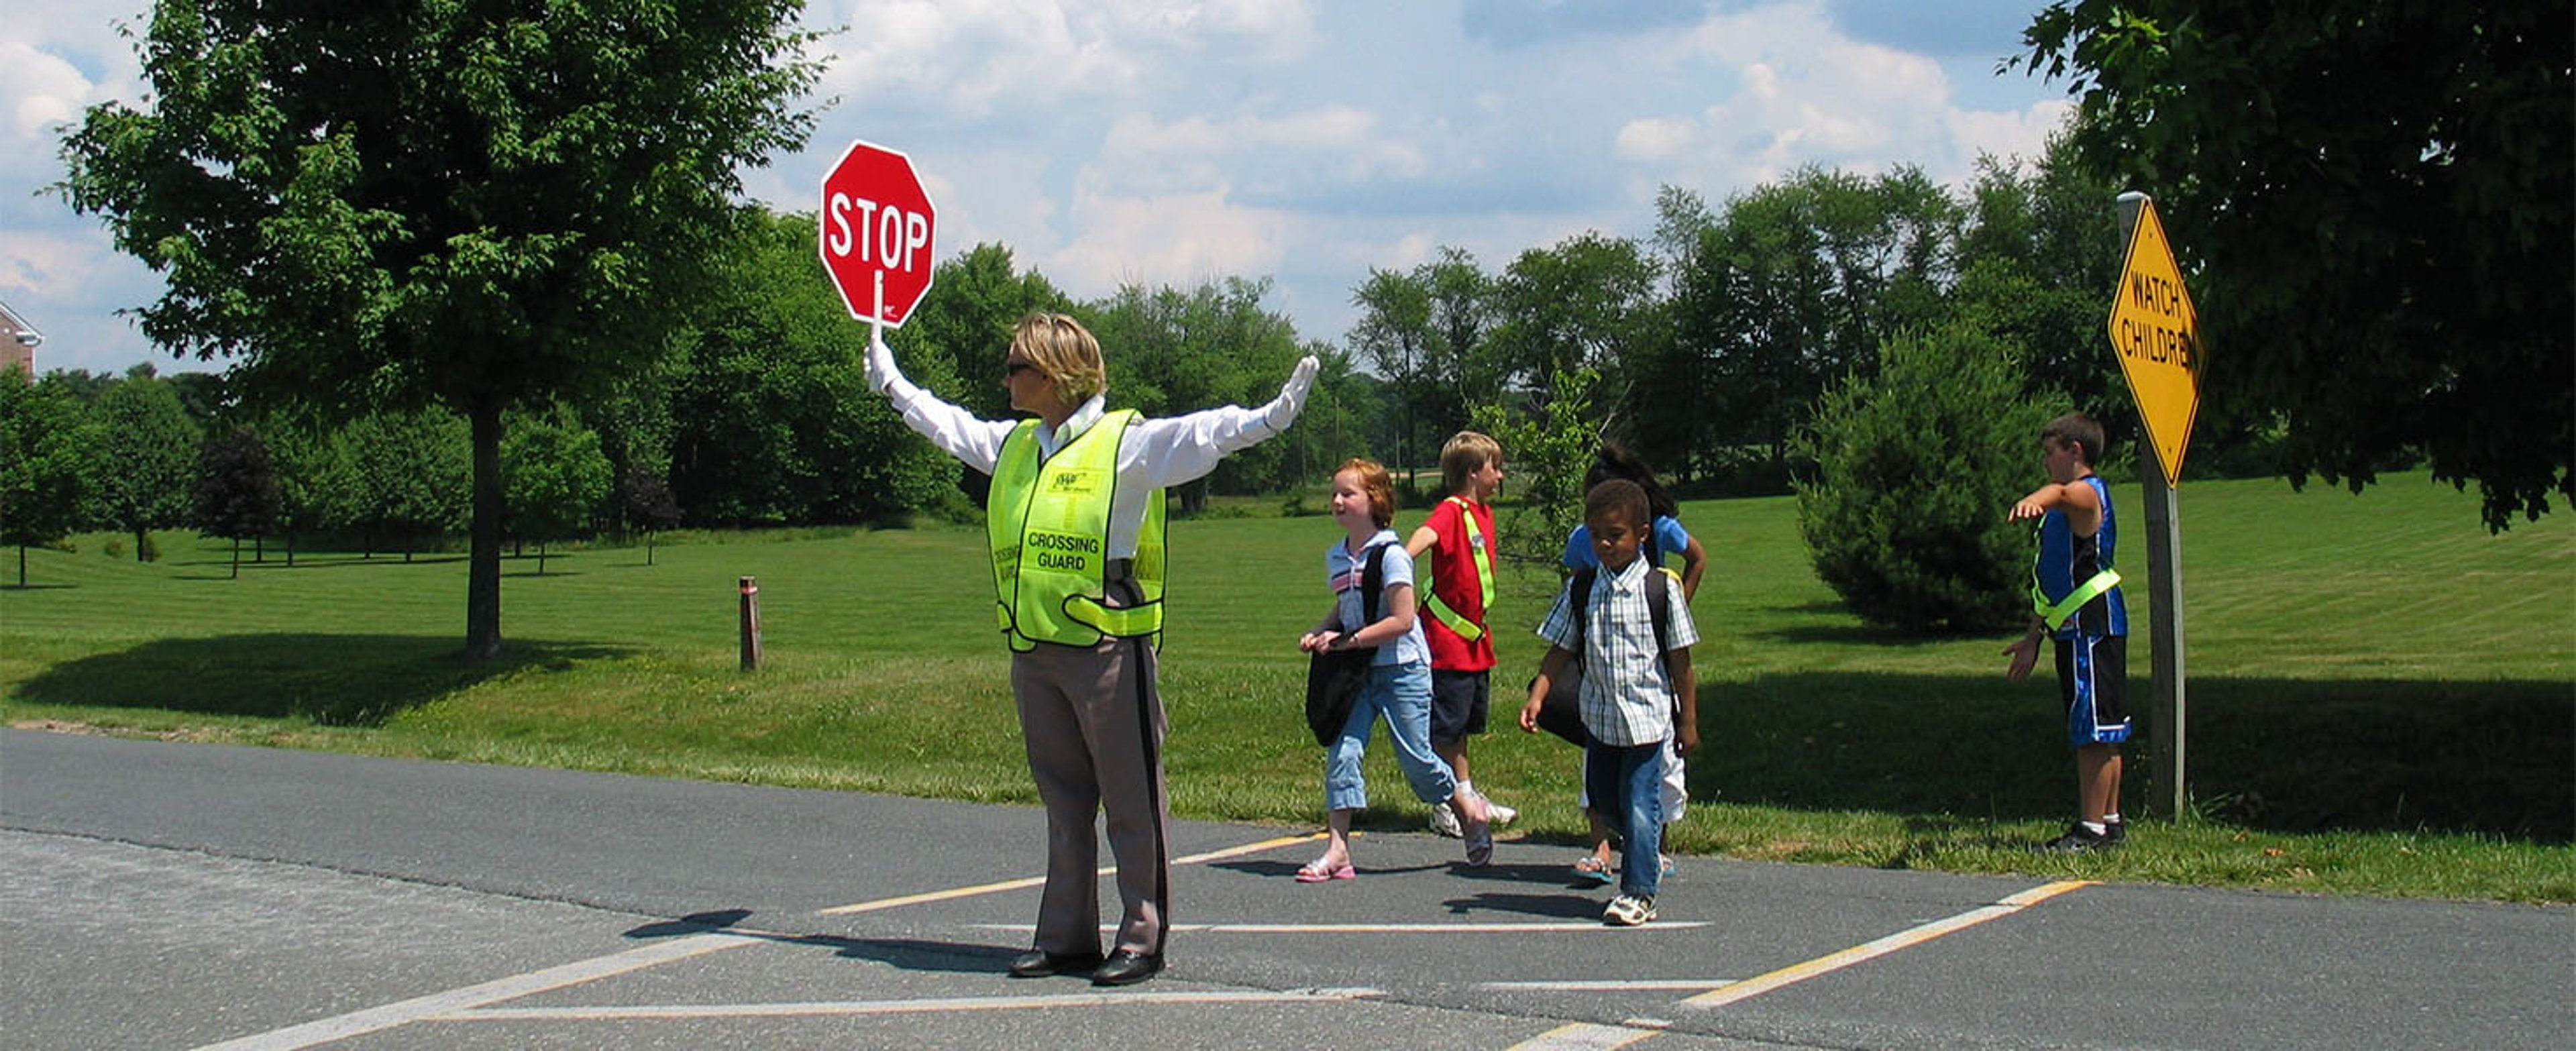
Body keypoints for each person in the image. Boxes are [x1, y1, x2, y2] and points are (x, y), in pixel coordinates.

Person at [863, 312, 1318, 987]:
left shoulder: (1123, 443)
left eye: (1017, 366)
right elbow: (950, 426)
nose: (1006, 378)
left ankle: (1143, 935)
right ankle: (1066, 936)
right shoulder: (1019, 444)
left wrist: (1271, 418)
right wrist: (894, 382)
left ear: (1056, 376)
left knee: (1132, 798)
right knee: (1064, 800)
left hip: (1108, 645)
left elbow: (1200, 436)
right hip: (1036, 644)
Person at [1296, 457, 1496, 880]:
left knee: (1418, 762)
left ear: (1375, 499)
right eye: (1334, 493)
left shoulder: (1392, 554)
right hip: (1358, 672)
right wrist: (1320, 631)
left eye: (1347, 493)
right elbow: (1350, 604)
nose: (1337, 501)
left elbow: (1403, 619)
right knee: (1344, 751)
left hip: (1403, 668)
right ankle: (1338, 850)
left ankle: (1466, 810)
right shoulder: (1337, 556)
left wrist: (1346, 641)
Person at [1520, 479, 1700, 926]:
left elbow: (1682, 665)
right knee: (1604, 798)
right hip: (1599, 721)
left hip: (1645, 722)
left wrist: (1688, 722)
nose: (1604, 543)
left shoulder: (1661, 589)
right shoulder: (1583, 588)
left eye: (1615, 534)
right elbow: (1561, 647)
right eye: (1596, 534)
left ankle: (1639, 891)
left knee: (1641, 803)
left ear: (1642, 534)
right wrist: (1538, 694)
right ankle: (1642, 849)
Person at [1559, 441, 1705, 883]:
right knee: (1599, 762)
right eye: (1594, 523)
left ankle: (1649, 855)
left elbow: (1696, 556)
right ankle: (1602, 846)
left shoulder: (1659, 529)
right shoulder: (1581, 542)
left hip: (1649, 667)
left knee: (1654, 767)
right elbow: (1573, 596)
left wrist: (1673, 612)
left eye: (1613, 529)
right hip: (1603, 663)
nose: (1603, 538)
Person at [2001, 412, 2131, 852]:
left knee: (2095, 732)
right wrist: (2032, 637)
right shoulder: (2064, 510)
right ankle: (2109, 822)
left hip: (2092, 625)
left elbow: (2059, 491)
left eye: (2050, 453)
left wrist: (2039, 498)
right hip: (2075, 625)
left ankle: (2091, 829)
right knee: (2100, 727)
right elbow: (2052, 580)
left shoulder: (2086, 495)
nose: (2045, 463)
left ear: (2075, 451)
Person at [1404, 431, 1519, 840]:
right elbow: (1419, 542)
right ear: (1474, 472)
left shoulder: (1483, 514)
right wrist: (1398, 566)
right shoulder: (1452, 511)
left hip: (1474, 641)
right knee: (1445, 728)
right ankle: (1445, 805)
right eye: (1494, 467)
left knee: (1464, 728)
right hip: (1448, 641)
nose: (1500, 475)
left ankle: (1466, 794)